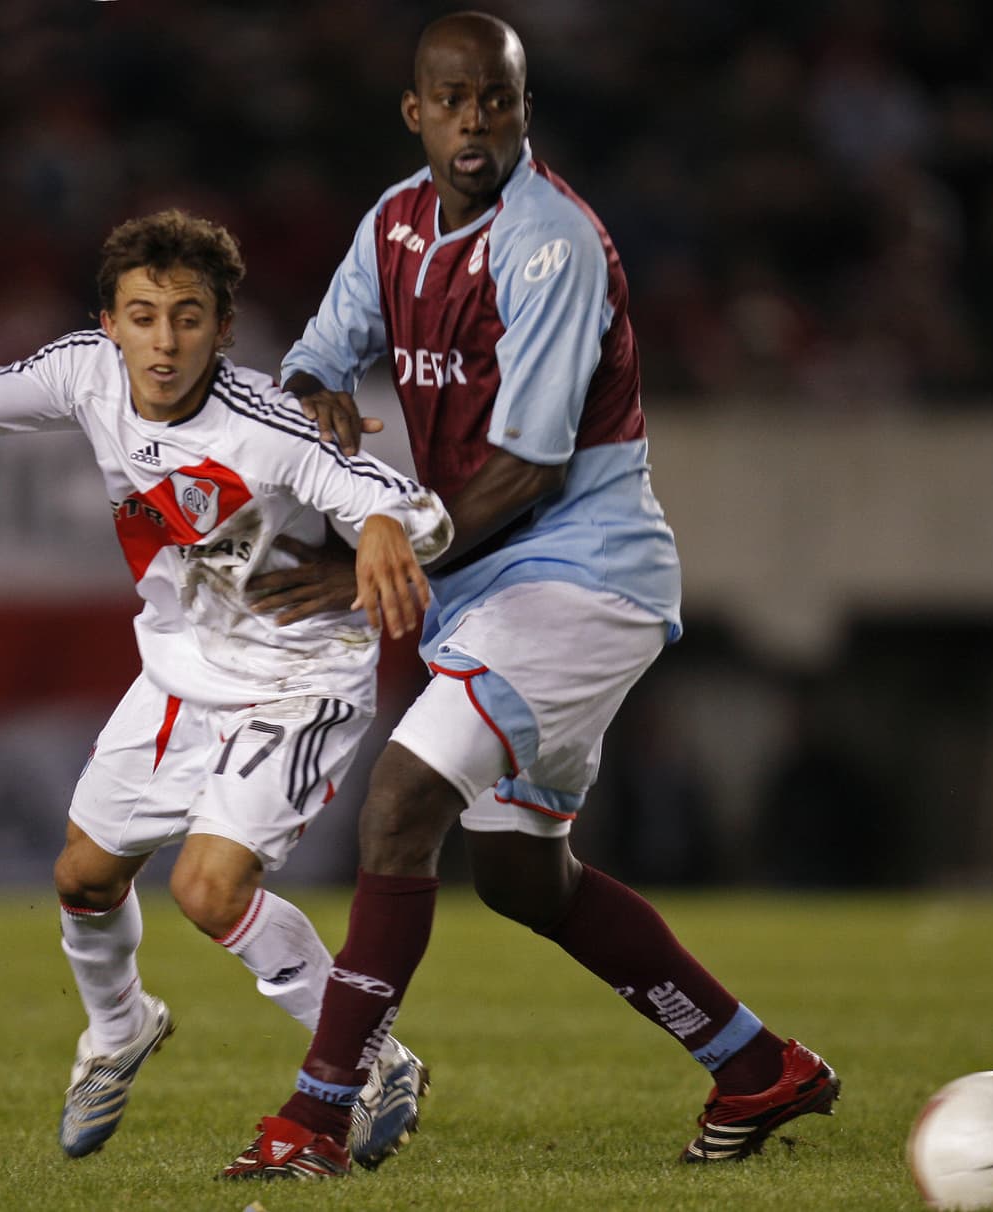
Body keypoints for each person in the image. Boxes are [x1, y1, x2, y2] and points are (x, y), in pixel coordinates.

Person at [224, 12, 839, 1181]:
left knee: (399, 805)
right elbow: (316, 353)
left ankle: (315, 1118)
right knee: (517, 873)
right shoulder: (393, 222)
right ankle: (755, 1066)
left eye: (495, 101)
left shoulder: (550, 244)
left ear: (522, 109)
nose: (473, 121)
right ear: (415, 113)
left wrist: (376, 554)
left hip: (577, 573)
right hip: (489, 584)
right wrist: (312, 409)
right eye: (451, 100)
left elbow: (527, 471)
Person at [0, 209, 451, 1168]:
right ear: (109, 322)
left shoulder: (268, 424)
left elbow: (414, 509)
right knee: (82, 874)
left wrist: (380, 527)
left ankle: (375, 1060)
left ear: (224, 327)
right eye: (145, 316)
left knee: (207, 887)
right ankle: (119, 1030)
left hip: (297, 677)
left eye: (189, 318)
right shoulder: (83, 370)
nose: (165, 342)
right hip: (180, 666)